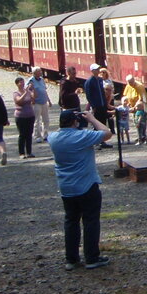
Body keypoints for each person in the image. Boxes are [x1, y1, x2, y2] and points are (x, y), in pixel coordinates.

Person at [51, 108, 112, 270]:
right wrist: (92, 118)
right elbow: (107, 133)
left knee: (71, 222)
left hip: (66, 187)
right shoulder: (82, 137)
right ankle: (92, 257)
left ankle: (71, 259)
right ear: (74, 122)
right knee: (90, 220)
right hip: (86, 185)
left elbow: (58, 131)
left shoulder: (53, 138)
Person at [84, 63, 110, 148]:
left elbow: (102, 92)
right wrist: (93, 106)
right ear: (92, 71)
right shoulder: (89, 81)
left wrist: (106, 103)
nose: (98, 70)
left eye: (98, 69)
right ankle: (96, 141)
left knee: (103, 122)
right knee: (96, 124)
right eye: (96, 69)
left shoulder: (99, 80)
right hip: (96, 105)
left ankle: (102, 141)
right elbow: (89, 95)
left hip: (102, 104)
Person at [12, 76, 36, 159]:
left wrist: (33, 89)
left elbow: (33, 100)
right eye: (20, 82)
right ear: (17, 84)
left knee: (29, 134)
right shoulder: (16, 93)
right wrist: (26, 92)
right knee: (22, 134)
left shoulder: (28, 91)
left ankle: (29, 152)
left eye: (23, 82)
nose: (22, 84)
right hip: (20, 116)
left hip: (30, 115)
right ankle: (21, 153)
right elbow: (19, 101)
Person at [30, 67, 52, 143]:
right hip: (36, 103)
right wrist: (32, 100)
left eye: (40, 71)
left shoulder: (42, 79)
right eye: (39, 71)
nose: (41, 72)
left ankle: (45, 135)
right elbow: (28, 92)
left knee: (46, 120)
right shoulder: (31, 80)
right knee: (37, 120)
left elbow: (44, 91)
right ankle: (37, 136)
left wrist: (49, 100)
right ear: (34, 73)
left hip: (44, 102)